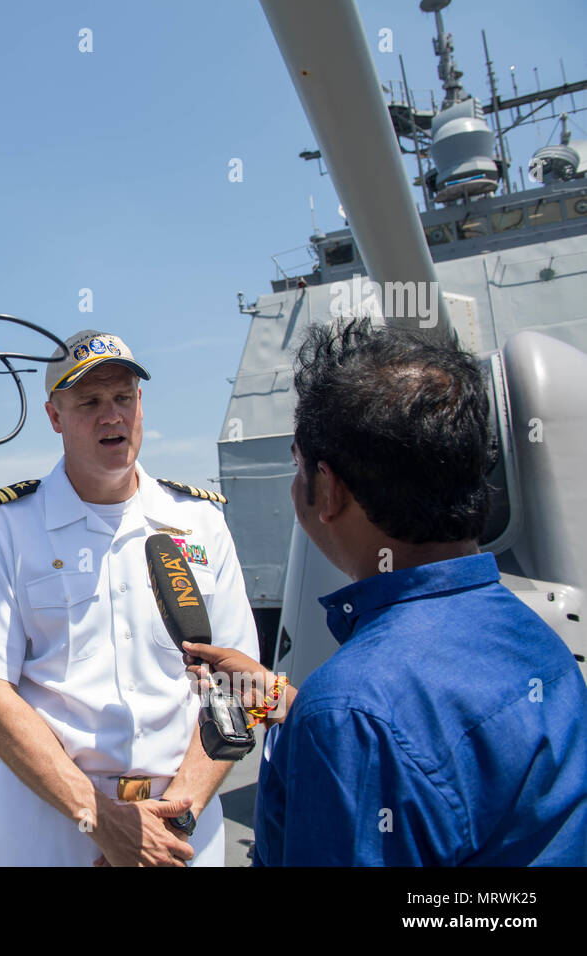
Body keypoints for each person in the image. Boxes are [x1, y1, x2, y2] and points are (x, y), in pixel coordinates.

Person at [187, 318, 587, 865]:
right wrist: (293, 708)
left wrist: (334, 722)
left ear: (327, 490)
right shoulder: (532, 636)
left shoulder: (351, 714)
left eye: (299, 466)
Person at [0, 329, 259, 866]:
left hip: (180, 831)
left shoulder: (201, 522)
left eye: (122, 398)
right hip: (52, 829)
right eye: (89, 402)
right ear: (54, 416)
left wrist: (173, 820)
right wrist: (100, 817)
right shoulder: (6, 528)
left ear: (140, 403)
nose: (111, 415)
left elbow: (240, 682)